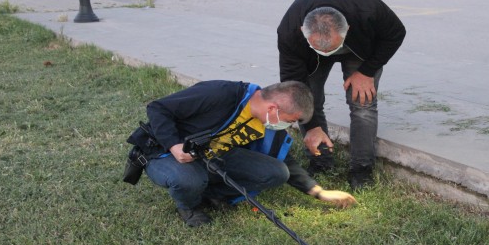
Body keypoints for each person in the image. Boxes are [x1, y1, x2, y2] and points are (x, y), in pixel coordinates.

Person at [127, 80, 357, 227]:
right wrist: (173, 145)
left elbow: (283, 158)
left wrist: (319, 192)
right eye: (290, 120)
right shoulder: (220, 94)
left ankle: (209, 192)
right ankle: (189, 205)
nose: (288, 126)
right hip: (162, 152)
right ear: (273, 109)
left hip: (213, 155)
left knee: (277, 172)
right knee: (187, 179)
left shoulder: (265, 121)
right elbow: (157, 107)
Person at [277, 0, 406, 189]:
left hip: (360, 49)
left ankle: (362, 170)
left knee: (362, 103)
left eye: (333, 47)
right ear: (303, 31)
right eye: (320, 46)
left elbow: (395, 34)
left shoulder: (366, 10)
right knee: (310, 99)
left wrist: (367, 71)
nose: (328, 52)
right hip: (309, 56)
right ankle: (320, 161)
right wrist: (311, 127)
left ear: (348, 28)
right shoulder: (290, 31)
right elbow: (294, 86)